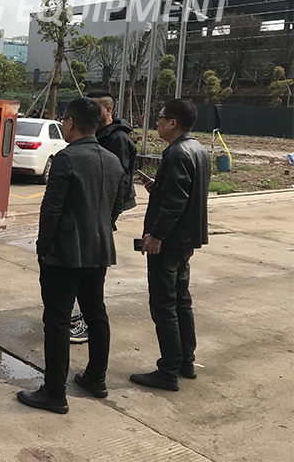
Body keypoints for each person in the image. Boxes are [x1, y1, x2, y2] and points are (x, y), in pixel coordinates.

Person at [17, 98, 125, 414]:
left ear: (70, 122)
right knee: (96, 314)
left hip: (64, 254)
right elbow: (117, 207)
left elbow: (50, 209)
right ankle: (96, 378)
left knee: (58, 320)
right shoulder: (113, 160)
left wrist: (43, 246)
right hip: (100, 250)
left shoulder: (66, 159)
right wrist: (102, 228)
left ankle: (54, 392)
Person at [130, 98, 210, 391]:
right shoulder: (198, 149)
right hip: (186, 240)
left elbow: (176, 203)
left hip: (169, 241)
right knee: (181, 301)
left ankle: (168, 371)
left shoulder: (177, 153)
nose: (157, 123)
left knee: (163, 305)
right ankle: (185, 361)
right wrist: (158, 187)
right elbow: (182, 193)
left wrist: (156, 235)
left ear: (173, 122)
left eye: (160, 118)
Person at [67, 90, 139, 344]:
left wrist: (107, 220)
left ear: (108, 111)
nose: (91, 111)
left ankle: (89, 321)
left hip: (102, 211)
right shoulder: (99, 135)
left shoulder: (116, 139)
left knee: (92, 268)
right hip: (92, 210)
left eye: (95, 107)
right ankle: (85, 312)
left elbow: (117, 183)